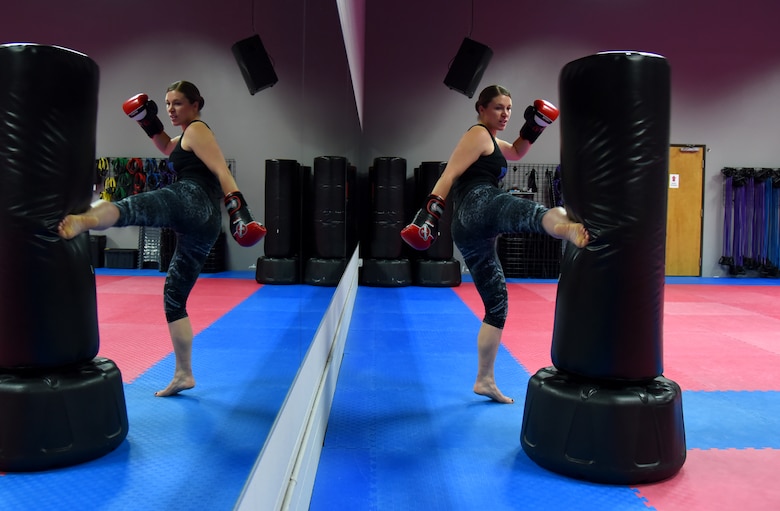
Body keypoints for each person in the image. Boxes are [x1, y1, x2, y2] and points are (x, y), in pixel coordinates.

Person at [58, 80, 266, 397]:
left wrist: (240, 211)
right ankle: (184, 374)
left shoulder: (198, 130)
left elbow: (222, 170)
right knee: (174, 296)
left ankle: (86, 219)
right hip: (204, 224)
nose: (171, 109)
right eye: (167, 104)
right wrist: (147, 121)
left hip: (191, 199)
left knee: (133, 207)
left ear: (196, 104)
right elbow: (167, 147)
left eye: (178, 103)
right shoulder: (185, 137)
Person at [401, 85, 589, 404]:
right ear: (482, 108)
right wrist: (428, 218)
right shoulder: (476, 134)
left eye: (510, 109)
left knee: (497, 305)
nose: (505, 114)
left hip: (473, 231)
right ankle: (566, 228)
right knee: (527, 211)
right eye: (499, 108)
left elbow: (516, 151)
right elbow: (449, 175)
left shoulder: (493, 141)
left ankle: (484, 380)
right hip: (479, 203)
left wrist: (536, 126)